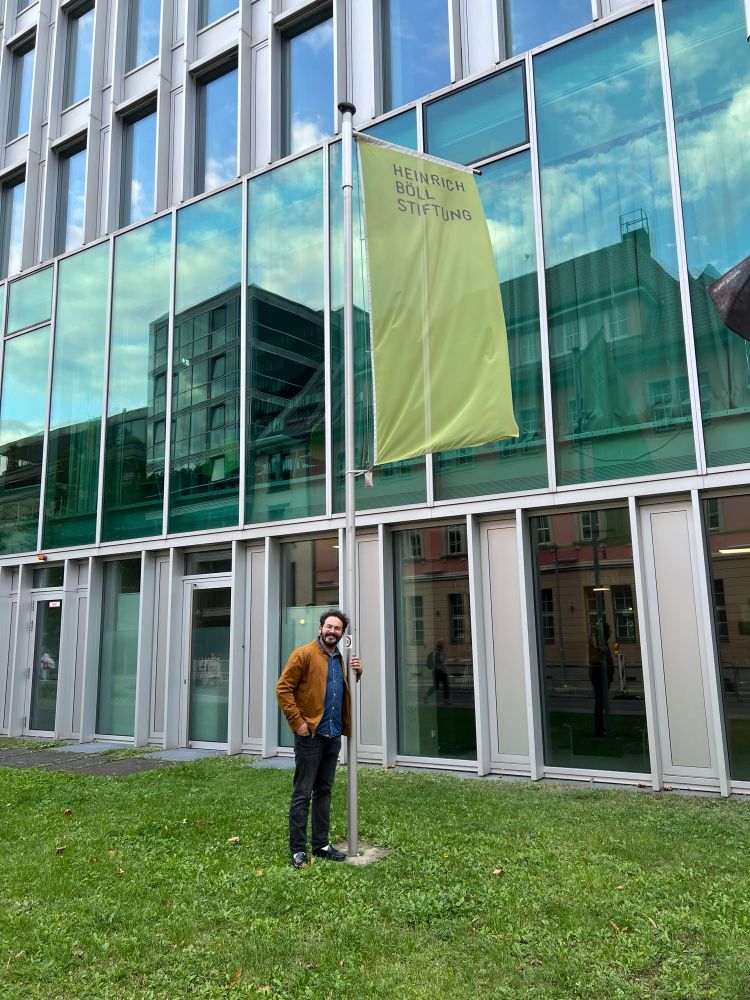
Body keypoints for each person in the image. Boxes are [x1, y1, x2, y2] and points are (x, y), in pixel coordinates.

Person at [276, 609, 362, 869]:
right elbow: (283, 688)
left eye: (337, 629)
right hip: (310, 735)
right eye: (329, 627)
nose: (332, 631)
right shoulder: (303, 654)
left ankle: (321, 844)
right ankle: (297, 850)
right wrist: (298, 723)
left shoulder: (341, 659)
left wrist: (358, 672)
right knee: (303, 793)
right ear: (320, 627)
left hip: (333, 734)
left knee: (324, 790)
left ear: (342, 633)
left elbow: (341, 689)